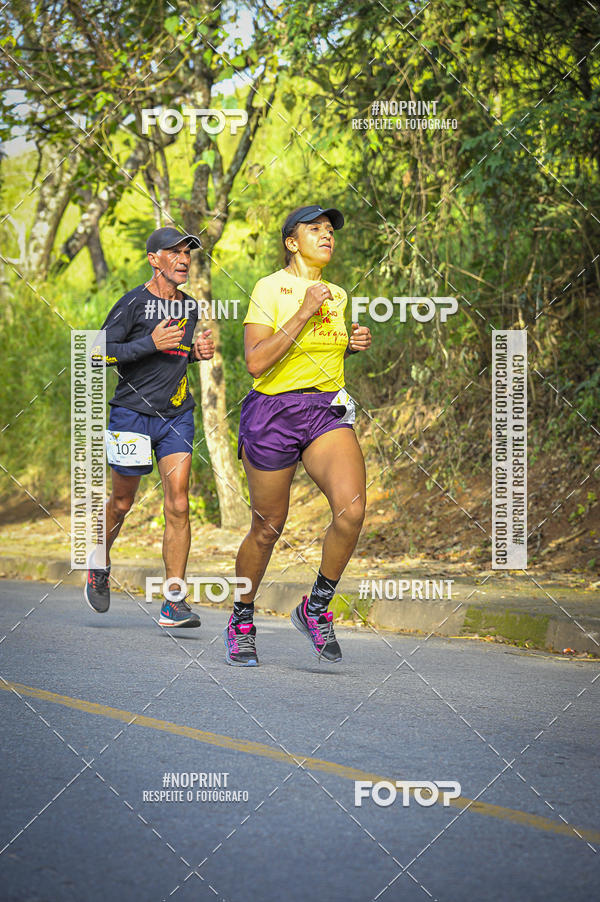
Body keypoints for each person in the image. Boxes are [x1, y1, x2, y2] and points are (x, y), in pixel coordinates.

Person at [224, 204, 372, 666]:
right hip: (272, 412)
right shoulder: (270, 288)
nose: (327, 236)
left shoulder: (339, 294)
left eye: (330, 230)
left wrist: (348, 345)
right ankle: (242, 618)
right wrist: (305, 311)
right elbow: (255, 361)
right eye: (315, 229)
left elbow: (318, 357)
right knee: (268, 527)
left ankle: (316, 608)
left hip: (324, 409)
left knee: (352, 510)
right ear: (292, 242)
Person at [84, 226, 215, 627]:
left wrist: (194, 354)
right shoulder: (133, 304)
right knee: (122, 502)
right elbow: (94, 353)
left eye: (186, 253)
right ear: (153, 259)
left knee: (178, 503)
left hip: (176, 416)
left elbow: (171, 359)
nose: (182, 259)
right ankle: (98, 562)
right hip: (131, 417)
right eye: (172, 252)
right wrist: (149, 344)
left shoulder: (189, 308)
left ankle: (173, 601)